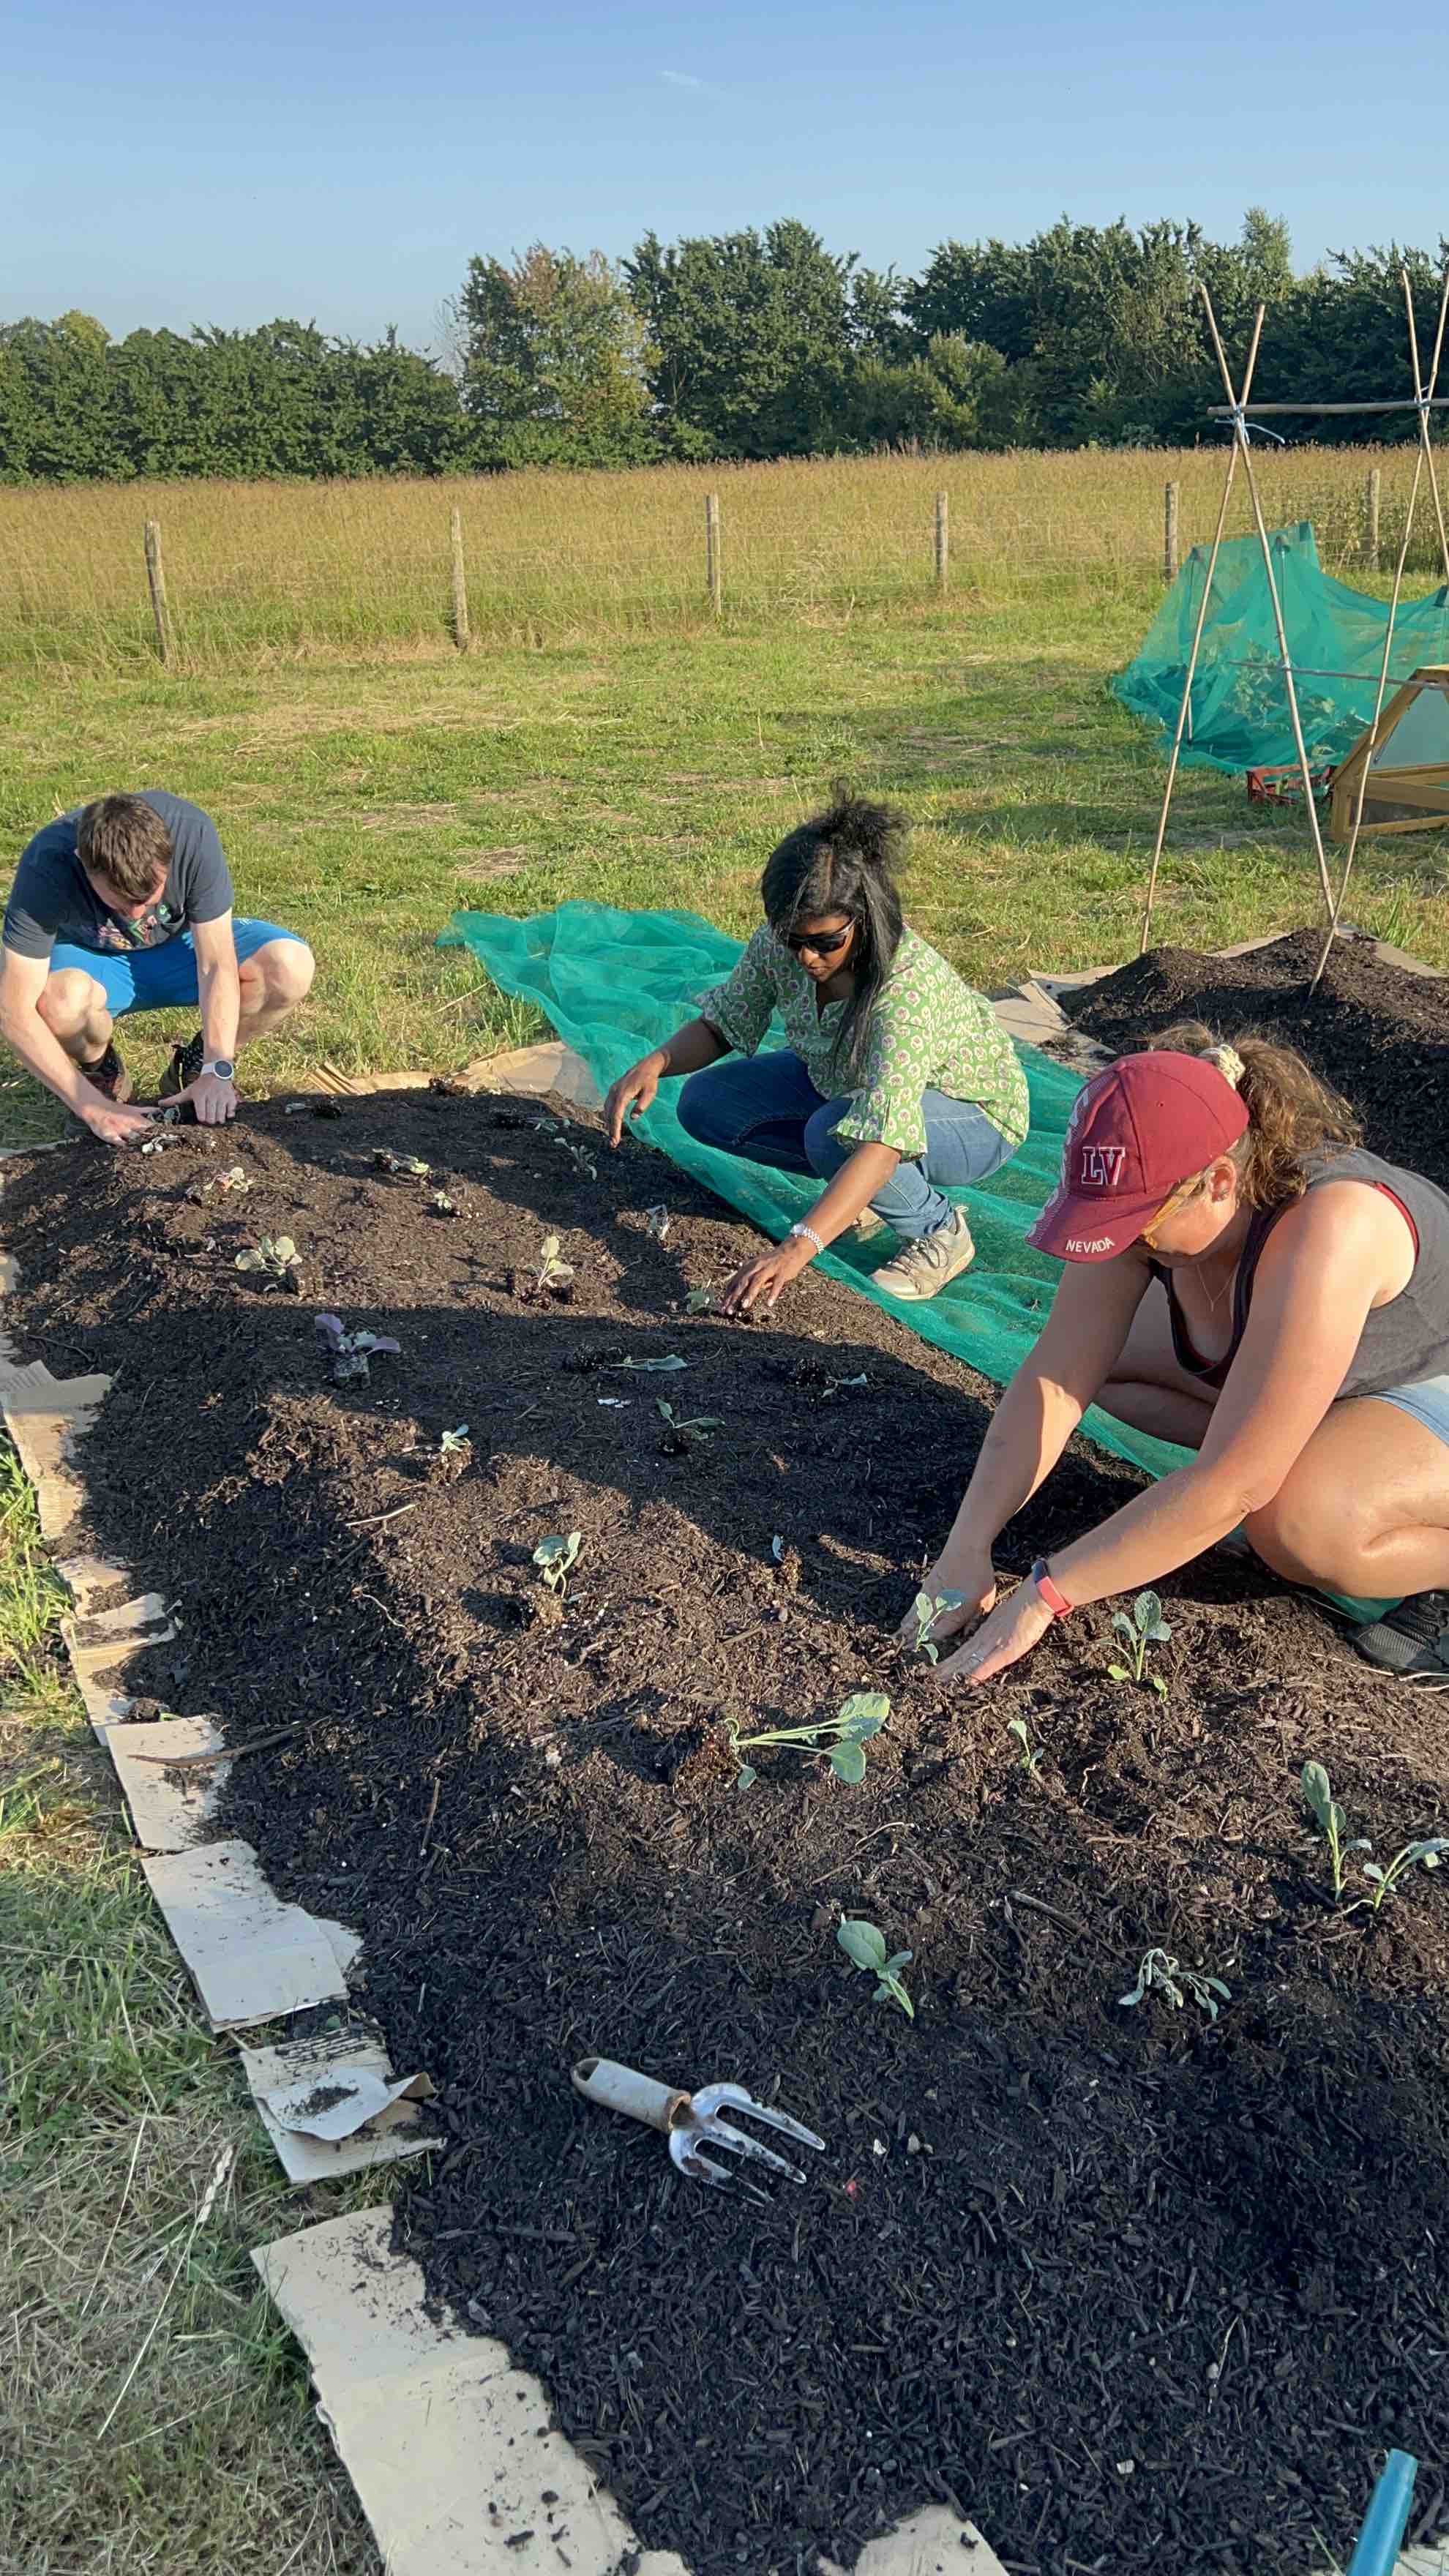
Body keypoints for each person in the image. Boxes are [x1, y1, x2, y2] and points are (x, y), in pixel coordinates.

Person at [907, 1023, 1449, 1685]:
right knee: (1106, 1368)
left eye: (1139, 1225)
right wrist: (967, 1546)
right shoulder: (1151, 1205)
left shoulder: (1332, 1229)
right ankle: (1294, 1448)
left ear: (1220, 1181)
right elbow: (1056, 1376)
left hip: (1429, 1374)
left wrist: (1047, 1595)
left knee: (1296, 1522)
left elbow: (1235, 1484)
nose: (1126, 1242)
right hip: (1333, 1369)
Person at [602, 794, 1030, 1312]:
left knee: (835, 1135)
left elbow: (881, 1138)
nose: (806, 956)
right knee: (706, 1104)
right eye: (793, 940)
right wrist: (656, 1064)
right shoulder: (782, 943)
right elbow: (724, 1023)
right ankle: (868, 1196)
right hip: (844, 1083)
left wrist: (798, 1247)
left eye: (826, 942)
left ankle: (939, 1230)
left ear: (863, 918)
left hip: (971, 1115)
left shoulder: (904, 989)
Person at [0, 791, 314, 1146]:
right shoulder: (47, 865)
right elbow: (13, 1010)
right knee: (59, 1001)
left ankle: (196, 1067)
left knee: (289, 965)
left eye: (148, 897)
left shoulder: (192, 834)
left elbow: (215, 962)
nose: (136, 916)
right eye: (121, 900)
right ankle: (101, 1070)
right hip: (96, 959)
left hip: (180, 951)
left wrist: (218, 1067)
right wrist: (90, 1107)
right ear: (84, 865)